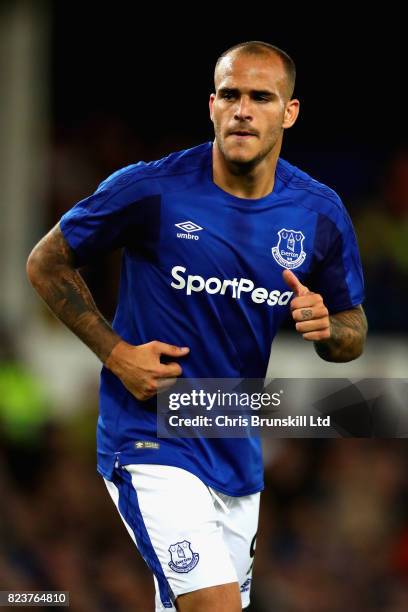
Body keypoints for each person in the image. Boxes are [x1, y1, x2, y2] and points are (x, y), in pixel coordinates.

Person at [26, 41, 368, 612]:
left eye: (261, 97)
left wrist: (328, 327)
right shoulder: (152, 189)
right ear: (211, 105)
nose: (242, 109)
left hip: (235, 449)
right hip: (150, 438)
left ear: (289, 113)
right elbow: (45, 262)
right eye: (230, 95)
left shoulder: (318, 213)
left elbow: (352, 331)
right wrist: (115, 353)